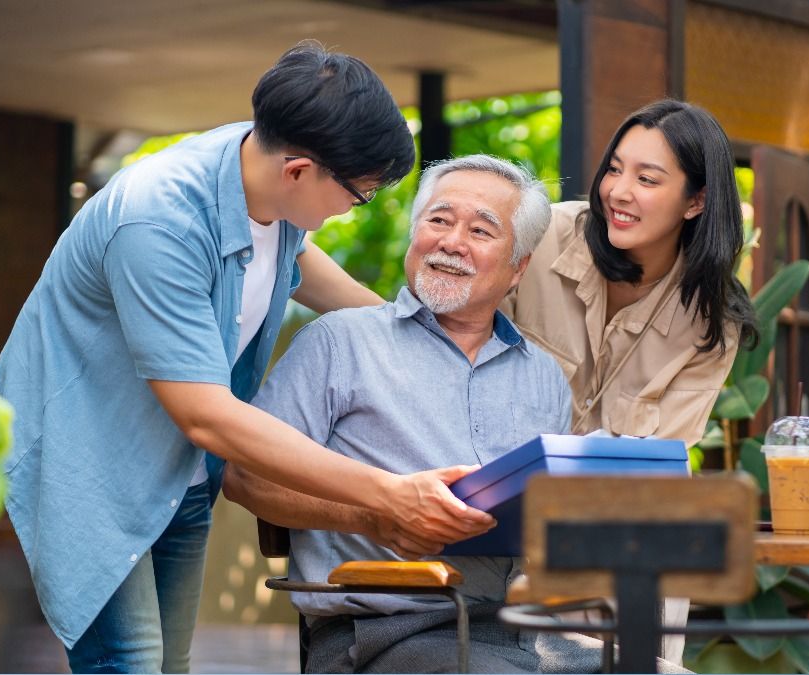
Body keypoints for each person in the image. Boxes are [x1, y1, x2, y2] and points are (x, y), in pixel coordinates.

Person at [0, 43, 492, 673]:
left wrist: (401, 331)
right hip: (92, 459)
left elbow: (294, 257)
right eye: (358, 195)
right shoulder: (159, 221)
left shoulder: (256, 160)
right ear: (299, 171)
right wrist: (388, 495)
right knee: (130, 662)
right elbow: (208, 417)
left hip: (179, 471)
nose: (350, 210)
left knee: (170, 664)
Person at [222, 155, 611, 674]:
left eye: (480, 229)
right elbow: (245, 477)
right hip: (377, 632)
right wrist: (375, 517)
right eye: (439, 220)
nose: (452, 241)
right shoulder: (340, 341)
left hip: (514, 629)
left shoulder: (542, 376)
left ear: (518, 267)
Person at [500, 99, 759, 663]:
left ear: (697, 201)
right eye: (615, 169)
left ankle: (641, 660)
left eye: (647, 178)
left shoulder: (712, 322)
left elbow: (659, 460)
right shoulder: (543, 237)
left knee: (660, 508)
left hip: (613, 520)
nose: (618, 190)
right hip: (501, 498)